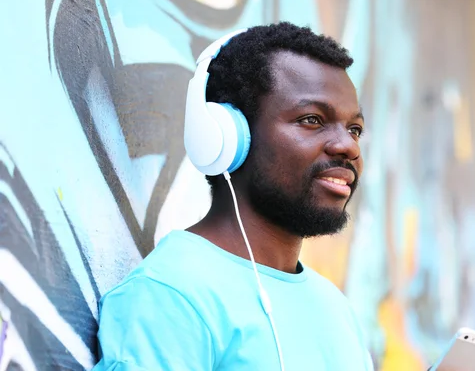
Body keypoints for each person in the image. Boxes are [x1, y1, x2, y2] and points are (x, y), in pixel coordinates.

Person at [93, 22, 374, 370]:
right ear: (227, 136)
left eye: (355, 129)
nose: (347, 145)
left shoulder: (335, 308)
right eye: (312, 119)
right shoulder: (171, 294)